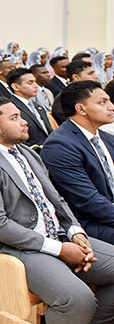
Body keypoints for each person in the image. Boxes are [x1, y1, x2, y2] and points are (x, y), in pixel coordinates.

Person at [0, 96, 114, 324]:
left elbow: (56, 201)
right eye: (14, 118)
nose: (24, 121)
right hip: (16, 246)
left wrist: (75, 232)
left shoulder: (25, 151)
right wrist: (60, 249)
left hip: (57, 235)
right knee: (76, 298)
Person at [41, 81, 114, 245]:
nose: (111, 107)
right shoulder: (60, 146)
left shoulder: (106, 138)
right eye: (102, 102)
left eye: (109, 101)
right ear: (81, 109)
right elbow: (88, 201)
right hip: (90, 224)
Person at [7, 67, 53, 147]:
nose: (36, 86)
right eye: (30, 83)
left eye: (35, 82)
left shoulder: (38, 106)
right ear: (16, 87)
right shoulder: (11, 108)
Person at [53, 59, 101, 126]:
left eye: (94, 73)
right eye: (90, 73)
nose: (96, 76)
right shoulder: (63, 99)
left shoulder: (91, 93)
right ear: (76, 77)